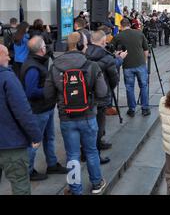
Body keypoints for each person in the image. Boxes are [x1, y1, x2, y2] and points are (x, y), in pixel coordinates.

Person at [44, 32, 108, 195]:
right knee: (91, 151)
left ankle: (75, 189)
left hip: (66, 117)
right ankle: (96, 183)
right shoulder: (91, 65)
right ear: (80, 45)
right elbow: (102, 92)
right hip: (88, 116)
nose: (86, 46)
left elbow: (48, 94)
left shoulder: (55, 66)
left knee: (72, 154)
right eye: (85, 43)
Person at [20, 36, 67, 181]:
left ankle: (52, 164)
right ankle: (28, 171)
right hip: (38, 110)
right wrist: (50, 89)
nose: (47, 48)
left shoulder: (37, 62)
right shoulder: (32, 67)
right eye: (45, 46)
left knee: (49, 137)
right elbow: (31, 91)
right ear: (41, 49)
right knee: (35, 141)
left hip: (46, 108)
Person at [0, 44, 42, 195]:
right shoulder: (7, 78)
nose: (9, 57)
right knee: (20, 185)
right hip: (11, 145)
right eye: (6, 54)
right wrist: (36, 135)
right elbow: (23, 111)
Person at [86, 30, 124, 164]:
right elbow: (114, 79)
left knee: (89, 124)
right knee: (99, 124)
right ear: (103, 41)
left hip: (86, 95)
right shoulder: (107, 58)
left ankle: (87, 149)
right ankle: (95, 152)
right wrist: (119, 59)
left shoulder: (84, 53)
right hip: (102, 95)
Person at [112, 18, 150, 117]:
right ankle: (145, 109)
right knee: (144, 86)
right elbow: (146, 50)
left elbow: (112, 51)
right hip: (140, 64)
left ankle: (132, 109)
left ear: (121, 26)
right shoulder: (139, 33)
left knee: (129, 87)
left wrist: (118, 55)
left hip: (127, 66)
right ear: (130, 24)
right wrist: (144, 61)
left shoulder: (118, 36)